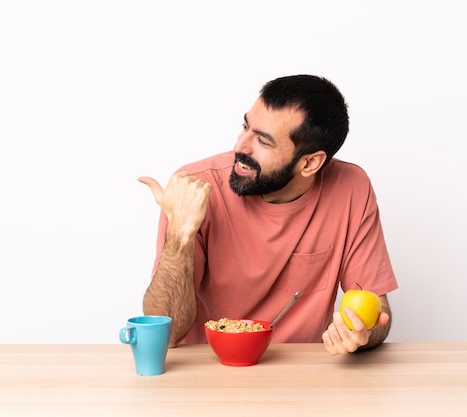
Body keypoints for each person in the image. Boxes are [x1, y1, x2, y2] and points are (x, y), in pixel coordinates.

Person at [138, 75, 398, 355]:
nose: (241, 146)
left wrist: (362, 333)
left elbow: (378, 311)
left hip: (300, 374)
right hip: (207, 371)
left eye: (263, 141)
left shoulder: (351, 188)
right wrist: (179, 235)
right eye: (245, 127)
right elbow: (167, 334)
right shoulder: (196, 188)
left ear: (310, 163)